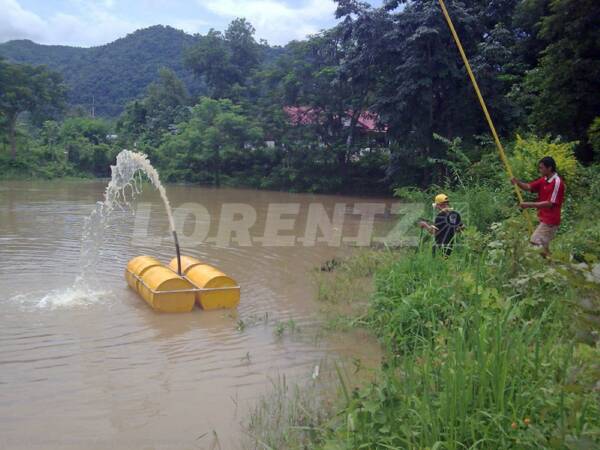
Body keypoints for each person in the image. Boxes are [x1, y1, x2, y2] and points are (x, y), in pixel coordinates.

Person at [511, 156, 566, 257]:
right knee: (543, 247)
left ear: (549, 168)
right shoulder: (544, 179)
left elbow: (549, 203)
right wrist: (517, 182)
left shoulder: (557, 183)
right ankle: (553, 264)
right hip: (544, 218)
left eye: (541, 168)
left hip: (551, 221)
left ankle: (551, 263)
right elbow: (528, 187)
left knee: (535, 241)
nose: (539, 170)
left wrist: (528, 205)